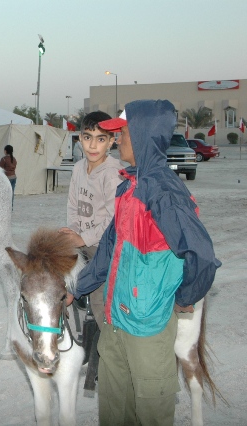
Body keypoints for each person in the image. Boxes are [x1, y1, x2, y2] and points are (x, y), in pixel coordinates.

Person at [66, 100, 221, 425]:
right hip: (115, 324)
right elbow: (108, 251)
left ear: (142, 136)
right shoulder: (129, 187)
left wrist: (184, 298)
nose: (118, 141)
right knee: (113, 411)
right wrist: (76, 288)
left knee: (151, 414)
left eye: (122, 133)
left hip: (148, 328)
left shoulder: (164, 194)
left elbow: (202, 255)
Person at [59, 111, 123, 328]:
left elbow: (113, 220)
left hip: (104, 245)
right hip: (82, 238)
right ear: (80, 138)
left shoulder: (112, 173)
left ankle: (106, 335)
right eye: (88, 138)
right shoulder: (78, 168)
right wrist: (72, 232)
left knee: (98, 296)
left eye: (101, 139)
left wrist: (83, 239)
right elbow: (73, 206)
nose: (93, 146)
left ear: (111, 141)